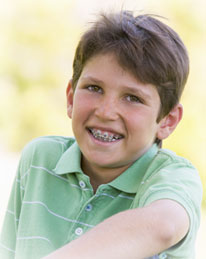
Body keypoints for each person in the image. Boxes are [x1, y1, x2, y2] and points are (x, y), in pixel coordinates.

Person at [0, 10, 202, 259]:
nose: (106, 112)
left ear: (168, 120)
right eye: (94, 88)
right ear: (71, 97)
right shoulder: (40, 159)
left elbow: (163, 226)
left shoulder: (172, 177)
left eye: (133, 98)